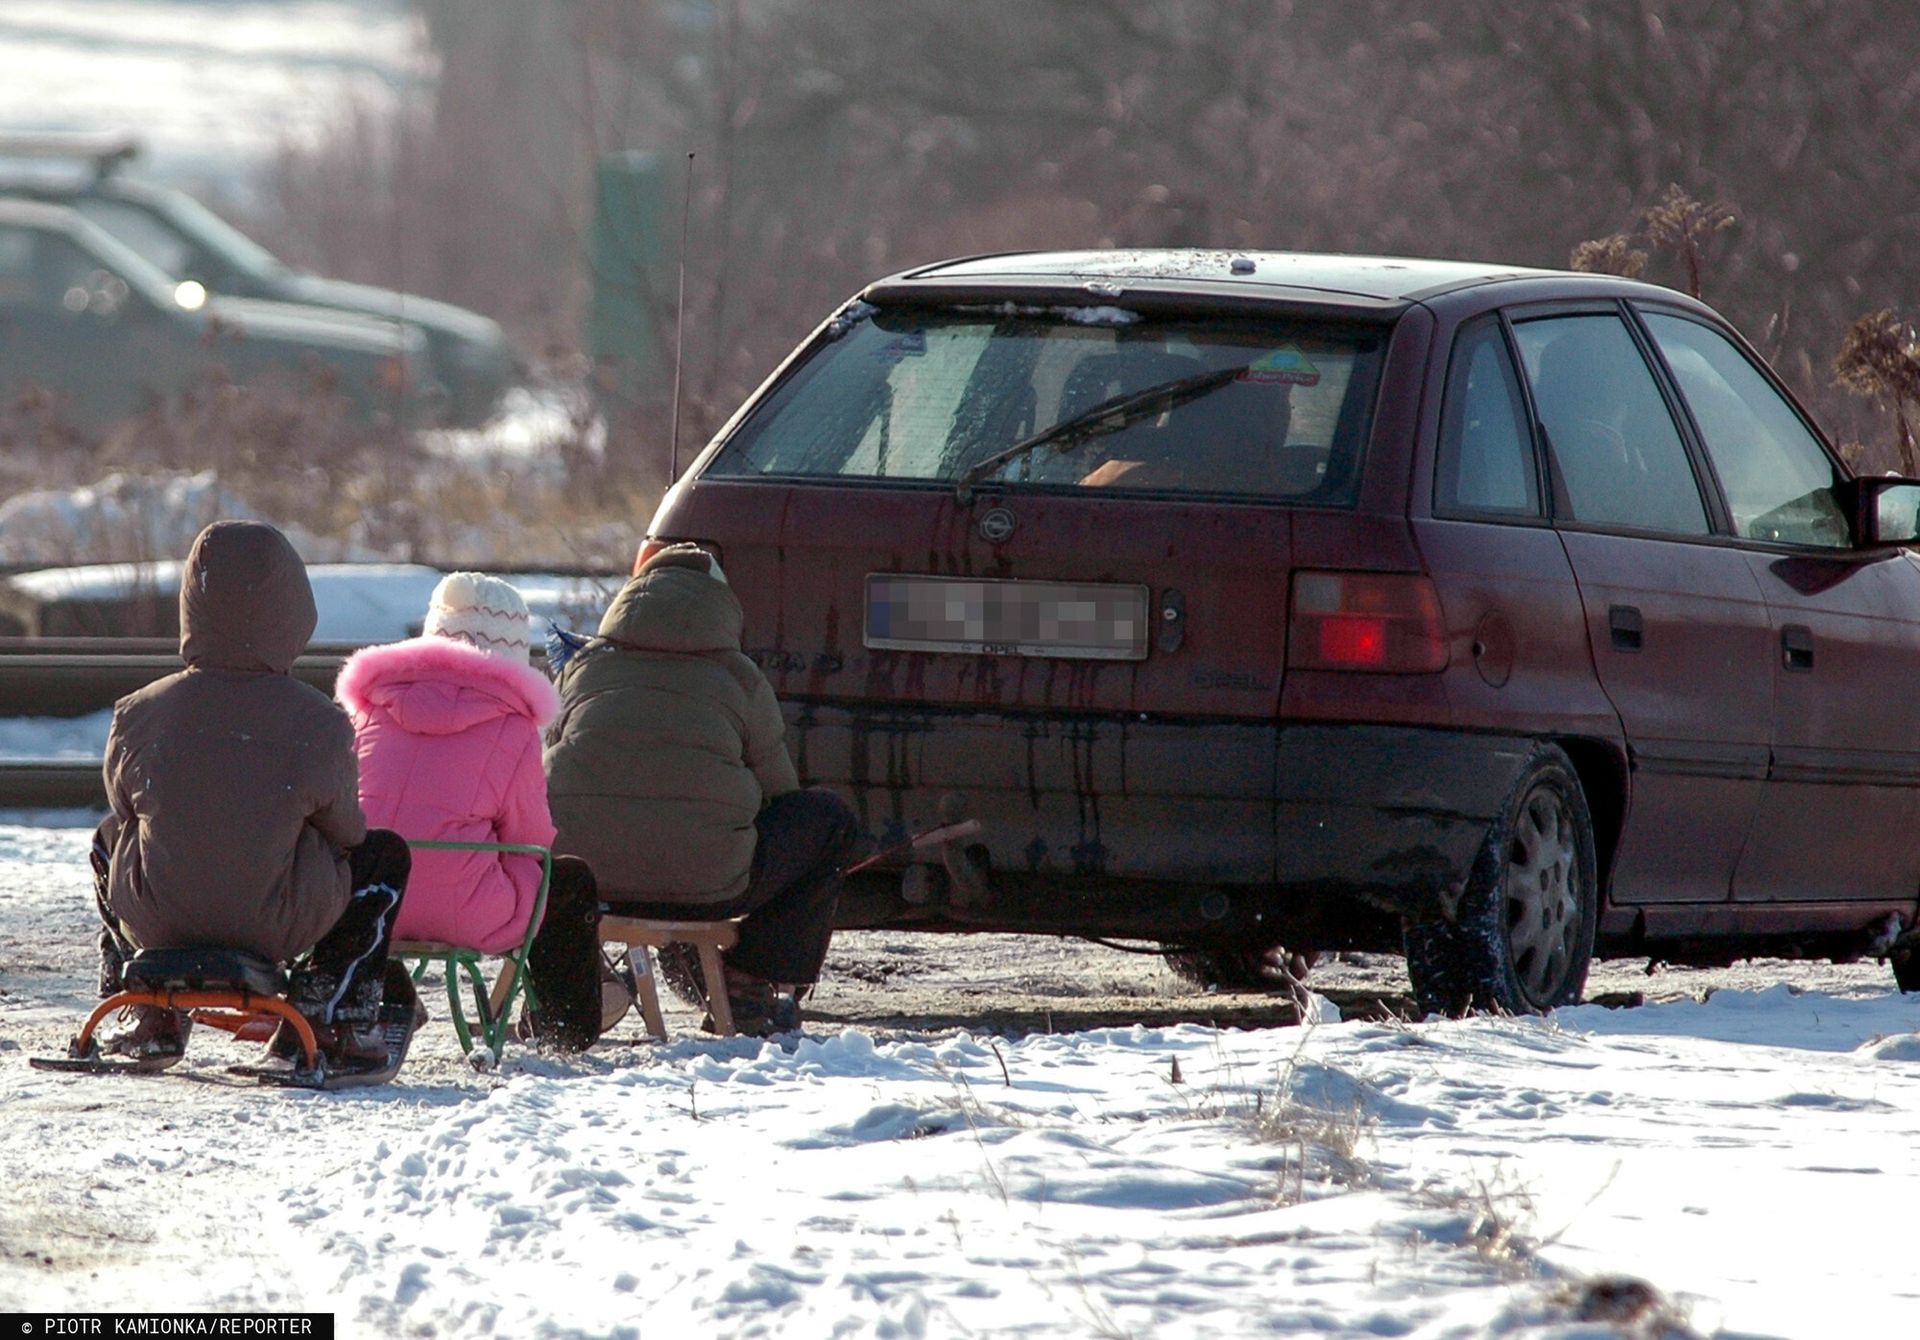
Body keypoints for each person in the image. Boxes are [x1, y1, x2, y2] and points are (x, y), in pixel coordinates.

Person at [91, 520, 413, 1076]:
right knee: (383, 856)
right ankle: (331, 1012)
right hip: (274, 921)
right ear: (292, 610)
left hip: (157, 918)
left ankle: (144, 1005)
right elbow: (348, 833)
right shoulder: (319, 721)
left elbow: (122, 811)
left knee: (106, 841)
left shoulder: (139, 712)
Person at [543, 543, 862, 1036]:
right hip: (709, 887)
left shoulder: (583, 666)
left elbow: (552, 762)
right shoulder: (740, 677)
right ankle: (749, 980)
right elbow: (781, 793)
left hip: (584, 881)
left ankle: (573, 987)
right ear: (720, 605)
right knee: (826, 819)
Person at [333, 572, 604, 1051]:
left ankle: (389, 982)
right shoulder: (513, 726)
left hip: (365, 901)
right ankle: (566, 1031)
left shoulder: (370, 709)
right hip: (464, 911)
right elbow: (532, 837)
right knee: (570, 882)